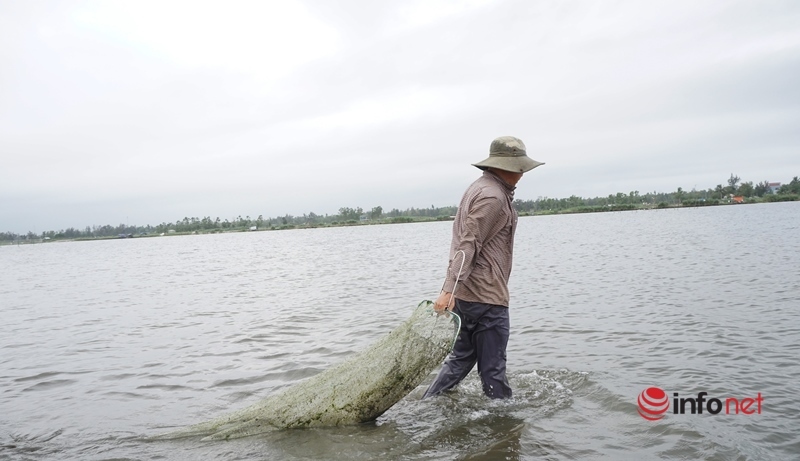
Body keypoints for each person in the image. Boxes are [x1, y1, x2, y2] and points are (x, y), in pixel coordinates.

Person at [424, 136, 544, 399]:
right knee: (493, 372)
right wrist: (448, 288)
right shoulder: (493, 197)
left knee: (460, 361)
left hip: (468, 296)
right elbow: (470, 242)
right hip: (487, 298)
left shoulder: (480, 188)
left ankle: (428, 404)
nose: (522, 174)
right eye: (519, 167)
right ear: (507, 166)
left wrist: (454, 288)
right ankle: (505, 423)